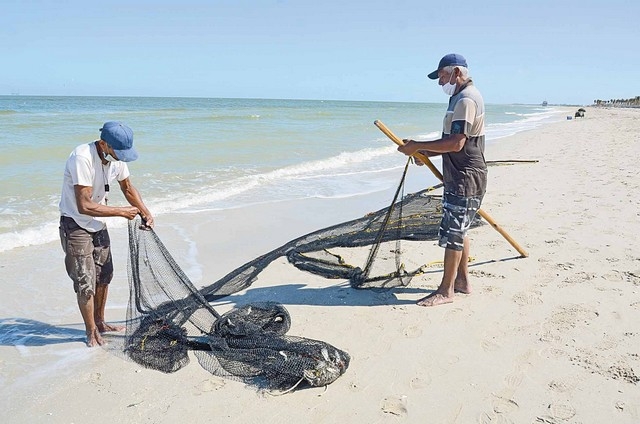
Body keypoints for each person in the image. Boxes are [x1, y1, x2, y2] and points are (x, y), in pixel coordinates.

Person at [397, 53, 487, 307]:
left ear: (457, 72)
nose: (440, 83)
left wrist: (417, 145)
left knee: (455, 233)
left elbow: (457, 143)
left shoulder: (467, 100)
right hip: (458, 175)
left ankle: (446, 290)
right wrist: (424, 152)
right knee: (460, 229)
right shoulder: (458, 98)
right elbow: (454, 143)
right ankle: (462, 281)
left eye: (443, 77)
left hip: (466, 177)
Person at [59, 121, 154, 346]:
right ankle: (91, 331)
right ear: (103, 144)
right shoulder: (81, 157)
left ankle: (101, 321)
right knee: (85, 282)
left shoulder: (117, 160)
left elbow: (128, 188)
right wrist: (121, 212)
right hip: (76, 224)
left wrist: (145, 212)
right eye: (117, 152)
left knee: (104, 275)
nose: (121, 158)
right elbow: (84, 205)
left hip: (99, 224)